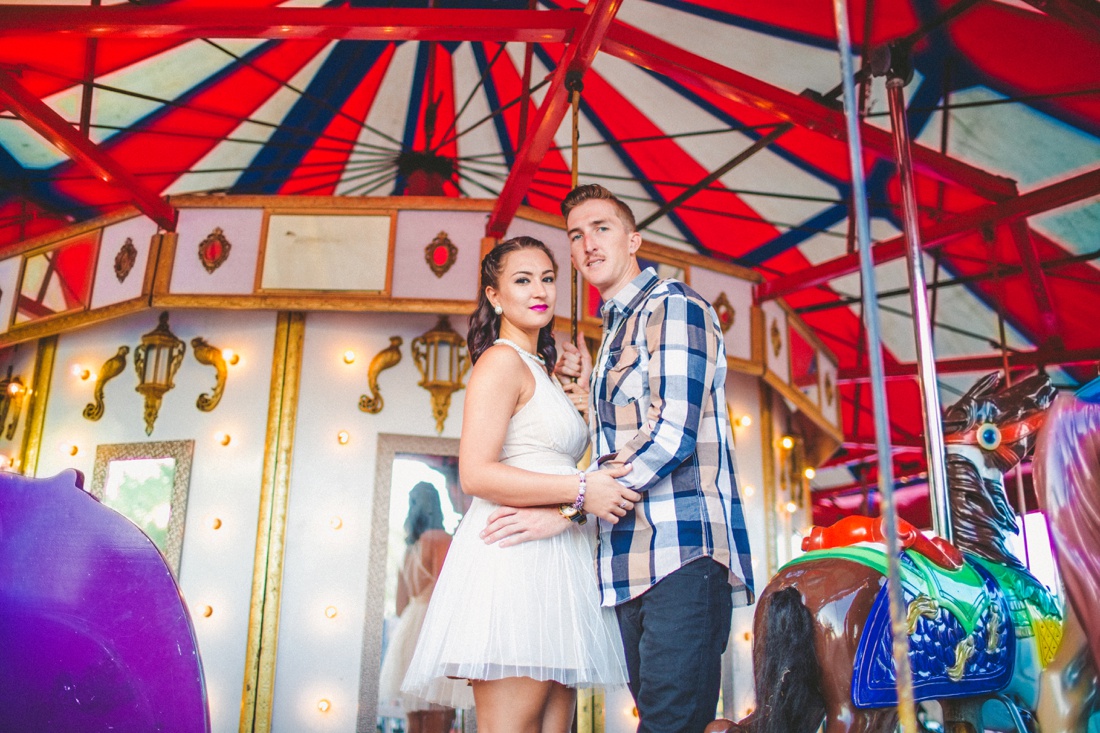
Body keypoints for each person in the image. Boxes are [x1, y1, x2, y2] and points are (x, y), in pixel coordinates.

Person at [481, 185, 755, 733]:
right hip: (626, 563)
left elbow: (672, 433)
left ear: (634, 240)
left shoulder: (673, 306)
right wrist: (585, 399)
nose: (588, 244)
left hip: (680, 553)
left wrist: (569, 508)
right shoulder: (612, 331)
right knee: (657, 719)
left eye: (601, 228)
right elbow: (622, 434)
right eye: (575, 235)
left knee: (669, 724)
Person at [401, 236, 639, 733]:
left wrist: (583, 390)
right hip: (515, 558)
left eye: (548, 279)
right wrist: (580, 490)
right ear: (494, 295)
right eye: (523, 280)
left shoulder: (540, 370)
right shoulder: (500, 361)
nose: (540, 291)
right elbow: (476, 473)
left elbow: (552, 454)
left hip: (558, 554)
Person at [378, 482, 455, 733]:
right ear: (436, 506)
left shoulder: (409, 550)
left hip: (410, 627)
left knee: (415, 719)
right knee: (439, 715)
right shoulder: (441, 540)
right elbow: (447, 591)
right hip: (433, 628)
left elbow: (400, 606)